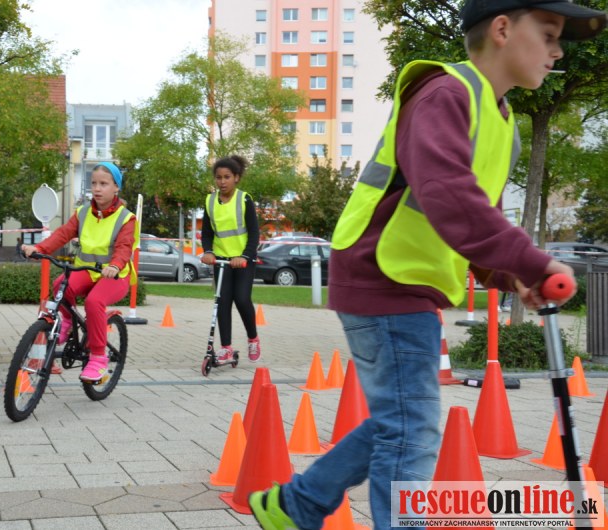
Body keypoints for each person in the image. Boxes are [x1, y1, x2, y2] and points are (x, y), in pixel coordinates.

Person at [248, 1, 603, 528]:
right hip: (383, 274)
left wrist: (512, 275)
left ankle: (296, 505)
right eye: (549, 34)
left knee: (402, 422)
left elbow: (473, 221)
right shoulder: (445, 94)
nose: (557, 52)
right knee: (411, 430)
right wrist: (532, 260)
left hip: (406, 280)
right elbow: (449, 197)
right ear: (502, 29)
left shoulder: (502, 122)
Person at [22, 162, 137, 382]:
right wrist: (39, 248)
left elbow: (124, 247)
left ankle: (98, 358)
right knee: (60, 285)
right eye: (94, 183)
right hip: (87, 270)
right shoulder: (83, 213)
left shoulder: (126, 218)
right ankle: (66, 322)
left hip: (115, 275)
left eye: (103, 184)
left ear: (116, 187)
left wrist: (115, 266)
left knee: (94, 302)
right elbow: (62, 234)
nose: (97, 188)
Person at [200, 155, 262, 363]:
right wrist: (208, 251)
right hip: (221, 260)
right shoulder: (210, 201)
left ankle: (253, 338)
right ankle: (226, 348)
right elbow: (207, 232)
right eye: (218, 177)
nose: (222, 181)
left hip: (243, 260)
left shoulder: (244, 200)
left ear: (236, 178)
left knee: (242, 299)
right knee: (222, 301)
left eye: (227, 177)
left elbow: (254, 233)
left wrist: (244, 255)